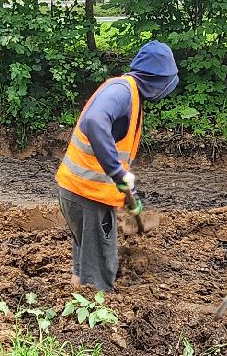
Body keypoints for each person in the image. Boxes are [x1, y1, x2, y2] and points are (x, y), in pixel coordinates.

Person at [55, 41, 179, 292]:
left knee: (84, 265)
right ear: (159, 80)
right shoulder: (122, 93)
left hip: (77, 191)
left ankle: (76, 309)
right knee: (99, 273)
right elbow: (94, 120)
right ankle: (93, 327)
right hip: (87, 197)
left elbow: (116, 152)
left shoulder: (129, 93)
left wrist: (128, 192)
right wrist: (116, 172)